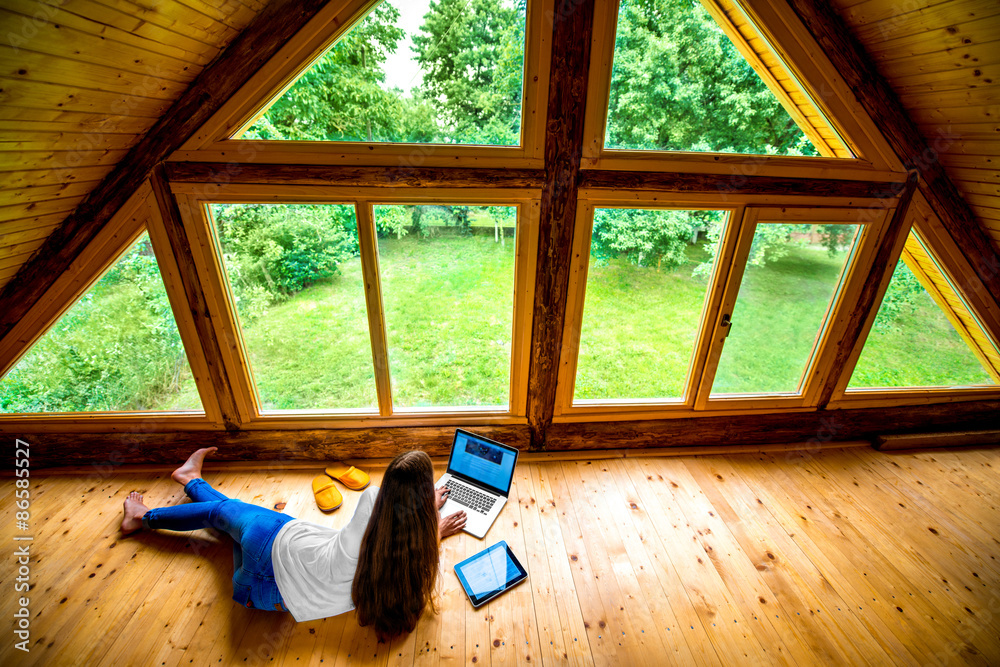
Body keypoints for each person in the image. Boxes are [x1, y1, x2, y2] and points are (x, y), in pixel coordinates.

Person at [121, 447, 466, 641]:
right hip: (263, 596)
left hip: (272, 550)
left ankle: (142, 516)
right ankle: (190, 479)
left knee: (223, 513)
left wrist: (421, 506)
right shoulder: (415, 564)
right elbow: (411, 538)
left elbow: (390, 510)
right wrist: (431, 521)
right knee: (229, 519)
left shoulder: (372, 503)